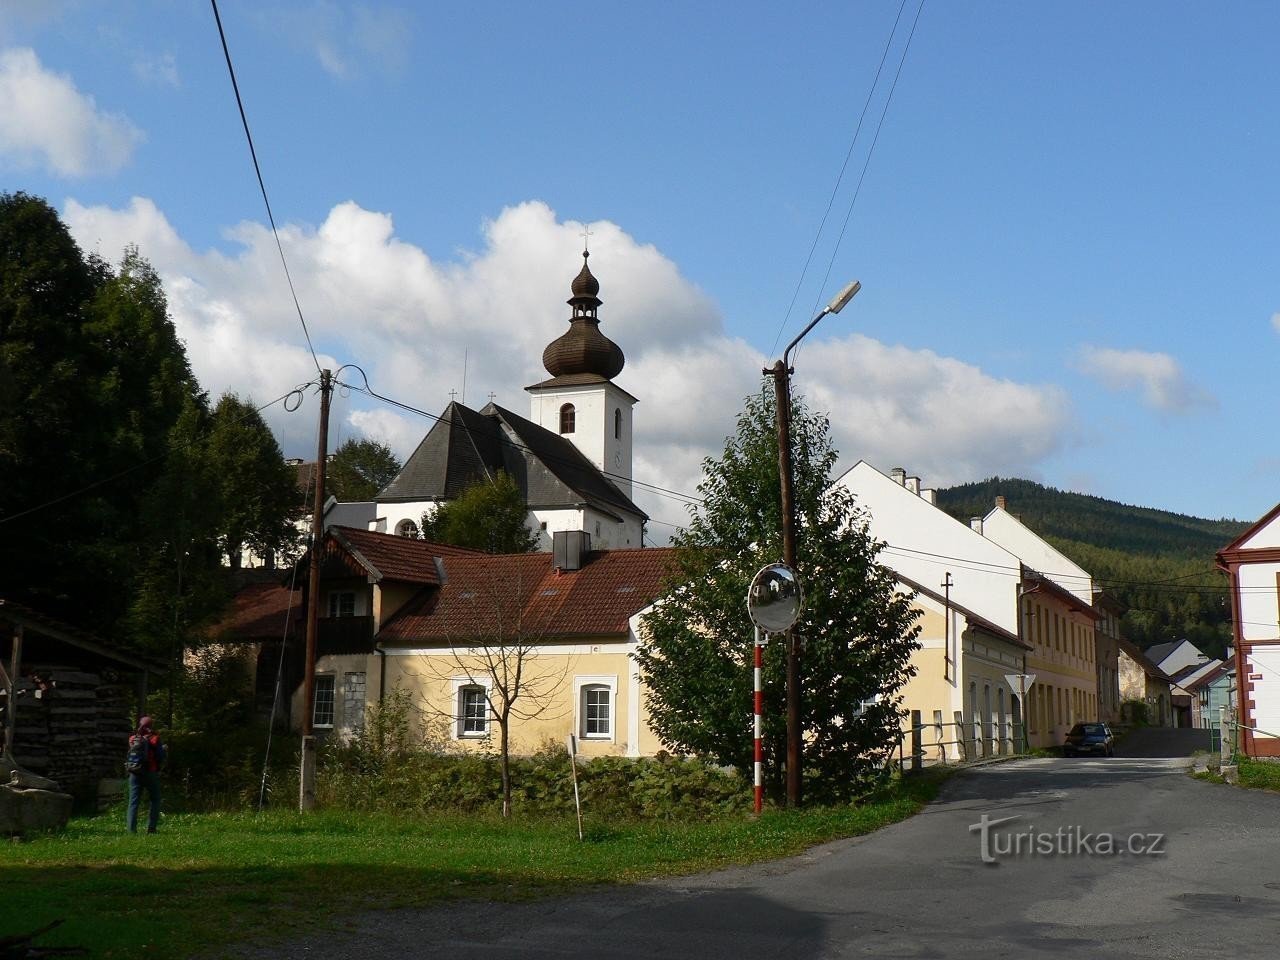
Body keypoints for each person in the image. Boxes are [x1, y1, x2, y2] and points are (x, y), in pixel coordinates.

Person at [126, 716, 166, 834]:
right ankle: (151, 828)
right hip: (150, 772)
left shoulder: (133, 738)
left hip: (134, 772)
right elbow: (160, 756)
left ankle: (131, 830)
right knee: (155, 799)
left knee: (133, 801)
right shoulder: (155, 739)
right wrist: (163, 750)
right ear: (151, 725)